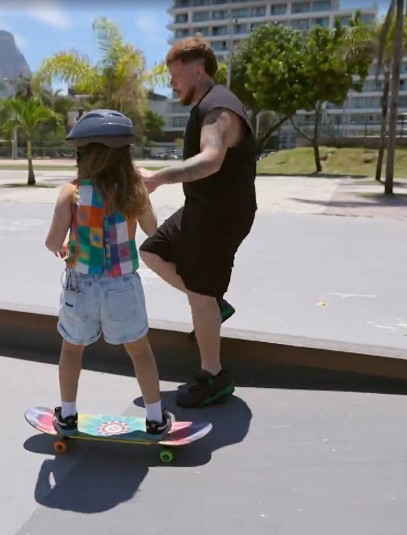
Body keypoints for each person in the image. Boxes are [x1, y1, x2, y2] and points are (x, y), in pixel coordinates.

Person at [137, 37, 257, 408]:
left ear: (197, 70)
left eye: (175, 76)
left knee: (201, 295)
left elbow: (211, 159)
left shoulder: (218, 109)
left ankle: (214, 376)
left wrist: (159, 178)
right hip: (200, 211)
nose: (171, 84)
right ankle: (211, 305)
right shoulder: (206, 105)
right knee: (154, 250)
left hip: (220, 217)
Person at [44, 108, 175, 438]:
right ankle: (156, 417)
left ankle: (68, 415)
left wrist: (63, 248)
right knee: (140, 351)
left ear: (83, 153)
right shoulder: (133, 191)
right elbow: (153, 230)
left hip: (80, 286)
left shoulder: (70, 193)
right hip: (122, 284)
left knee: (72, 349)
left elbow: (52, 242)